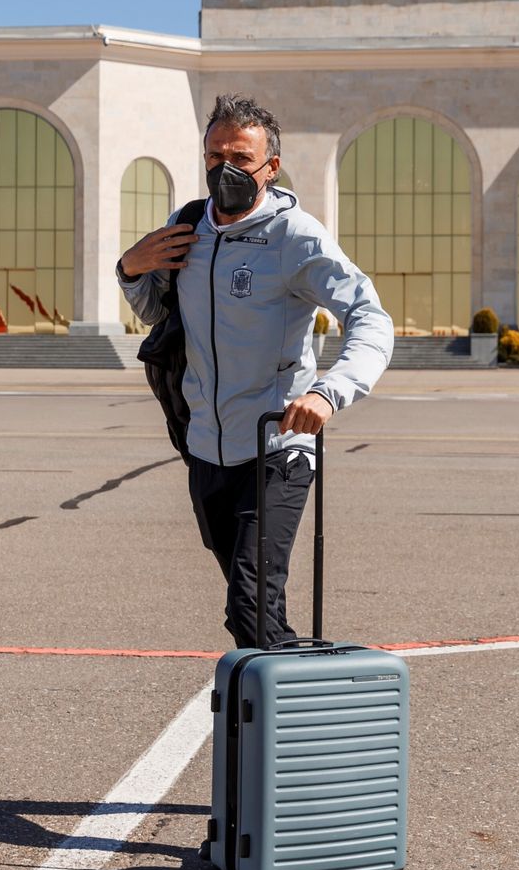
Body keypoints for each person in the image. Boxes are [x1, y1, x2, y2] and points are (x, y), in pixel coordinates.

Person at [118, 94, 393, 649]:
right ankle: (282, 710)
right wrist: (131, 267)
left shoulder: (296, 236)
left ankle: (297, 724)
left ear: (271, 167)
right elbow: (157, 311)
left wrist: (329, 392)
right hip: (206, 448)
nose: (226, 169)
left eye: (241, 159)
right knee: (255, 608)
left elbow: (370, 315)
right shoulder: (188, 225)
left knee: (248, 600)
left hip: (277, 445)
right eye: (215, 156)